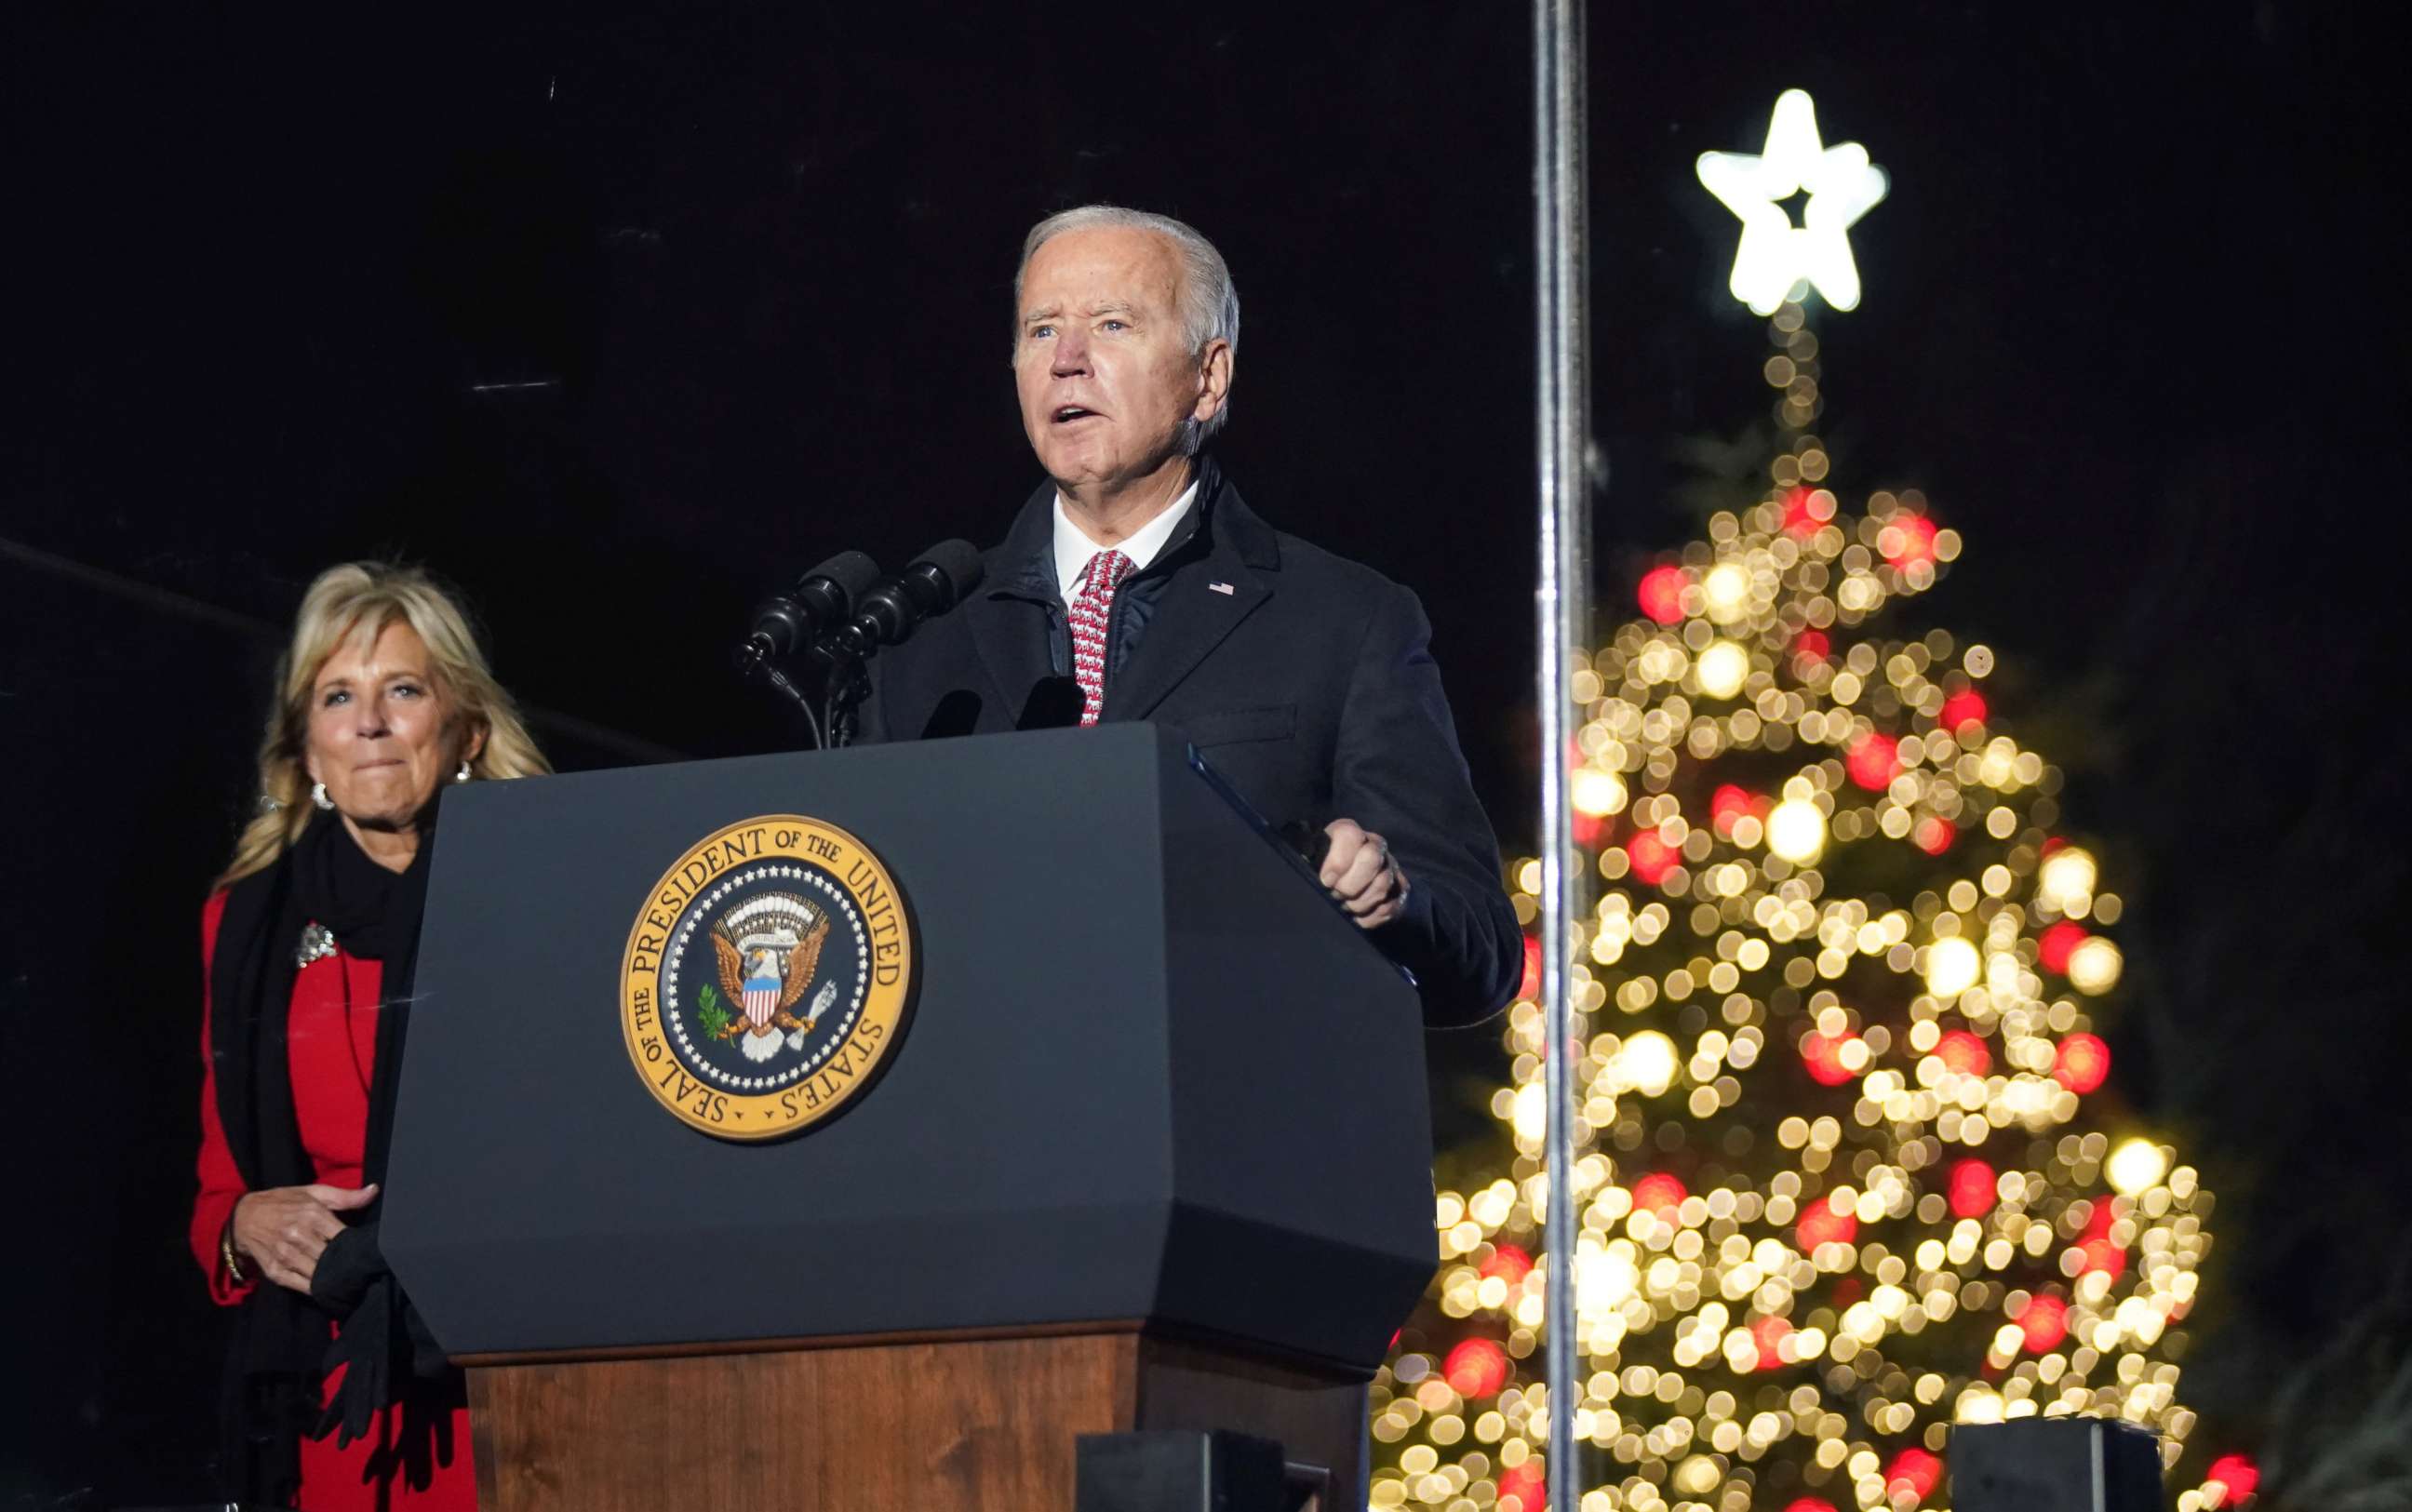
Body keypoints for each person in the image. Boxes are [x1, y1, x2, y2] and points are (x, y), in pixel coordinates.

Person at [856, 205, 1521, 1024]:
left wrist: (1394, 901)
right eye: (1039, 331)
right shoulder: (919, 636)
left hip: (1229, 1116)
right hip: (982, 1123)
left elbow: (1484, 951)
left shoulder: (1346, 621)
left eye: (1111, 323)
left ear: (1209, 377)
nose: (1067, 361)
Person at [192, 562, 550, 1508]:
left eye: (403, 688)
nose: (371, 722)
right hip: (323, 1396)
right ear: (308, 746)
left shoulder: (544, 893)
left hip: (503, 1384)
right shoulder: (243, 925)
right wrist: (239, 1226)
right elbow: (217, 1186)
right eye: (338, 695)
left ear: (465, 725)